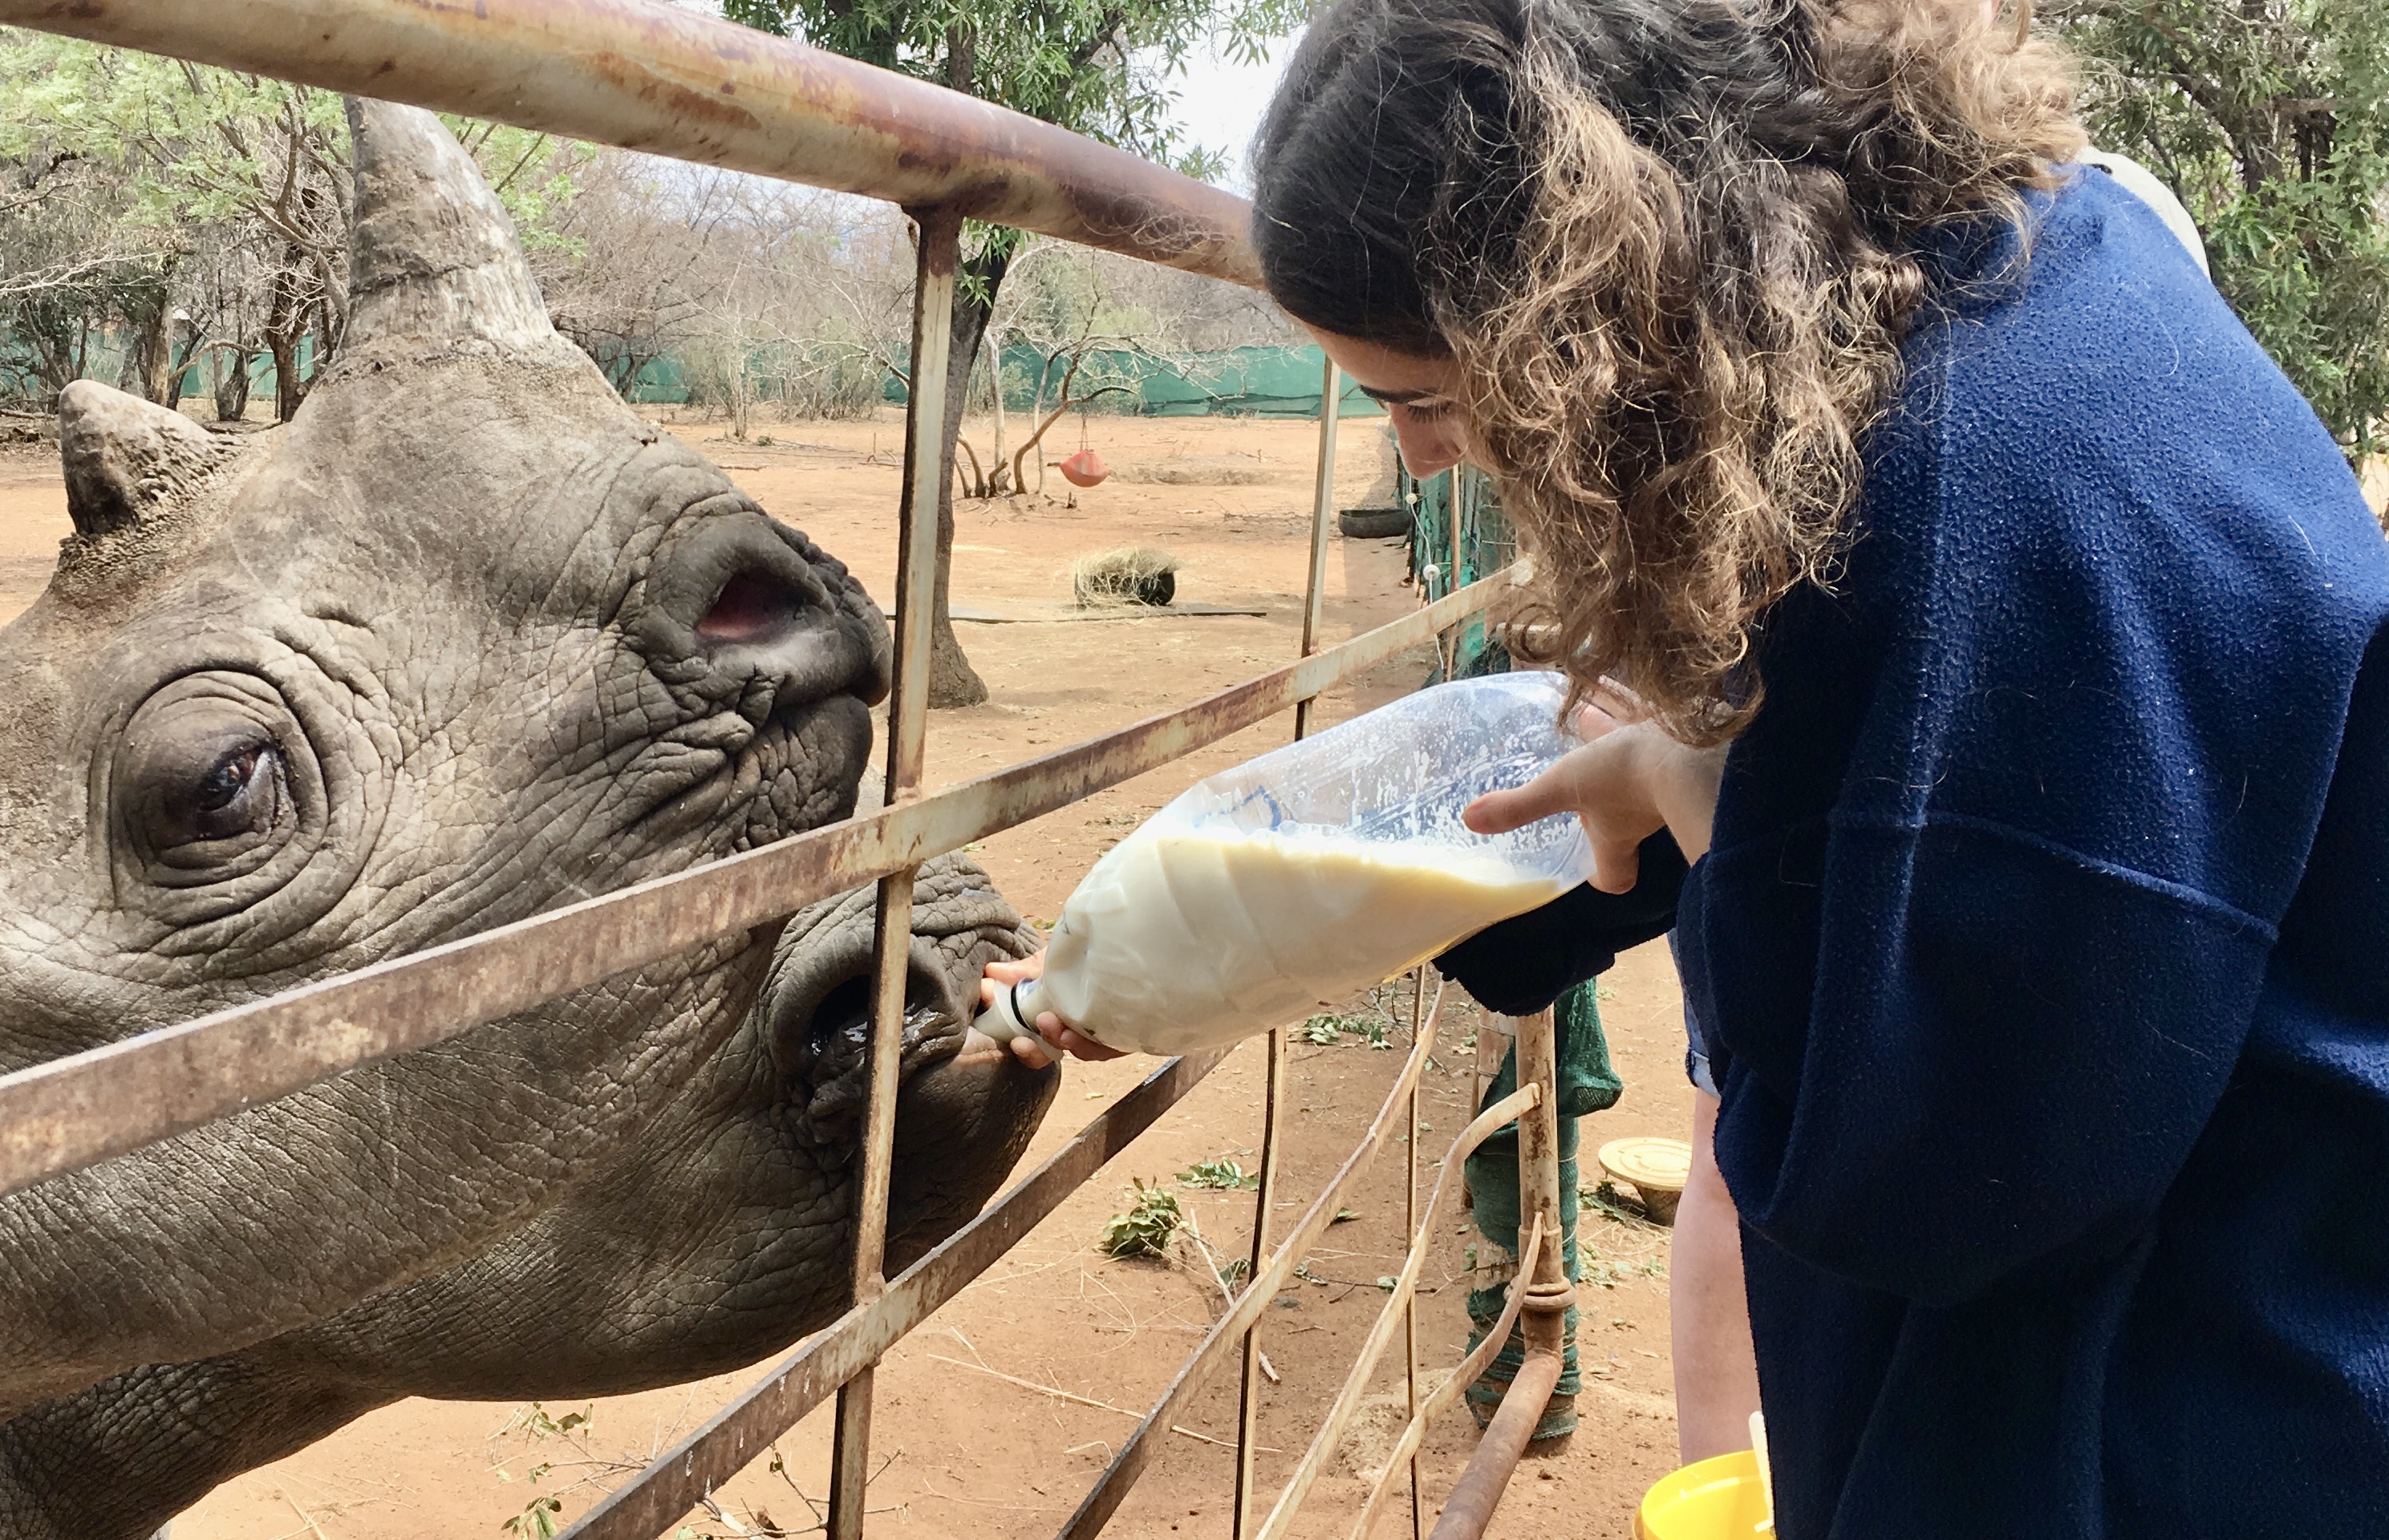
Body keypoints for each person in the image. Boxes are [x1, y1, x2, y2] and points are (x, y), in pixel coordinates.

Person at [1006, 0, 2389, 1530]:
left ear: (1578, 307)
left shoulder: (1995, 505)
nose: (1419, 458)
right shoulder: (1978, 301)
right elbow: (1908, 812)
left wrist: (1700, 799)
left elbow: (1926, 1180)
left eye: (1427, 395)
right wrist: (1653, 799)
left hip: (2172, 1424)